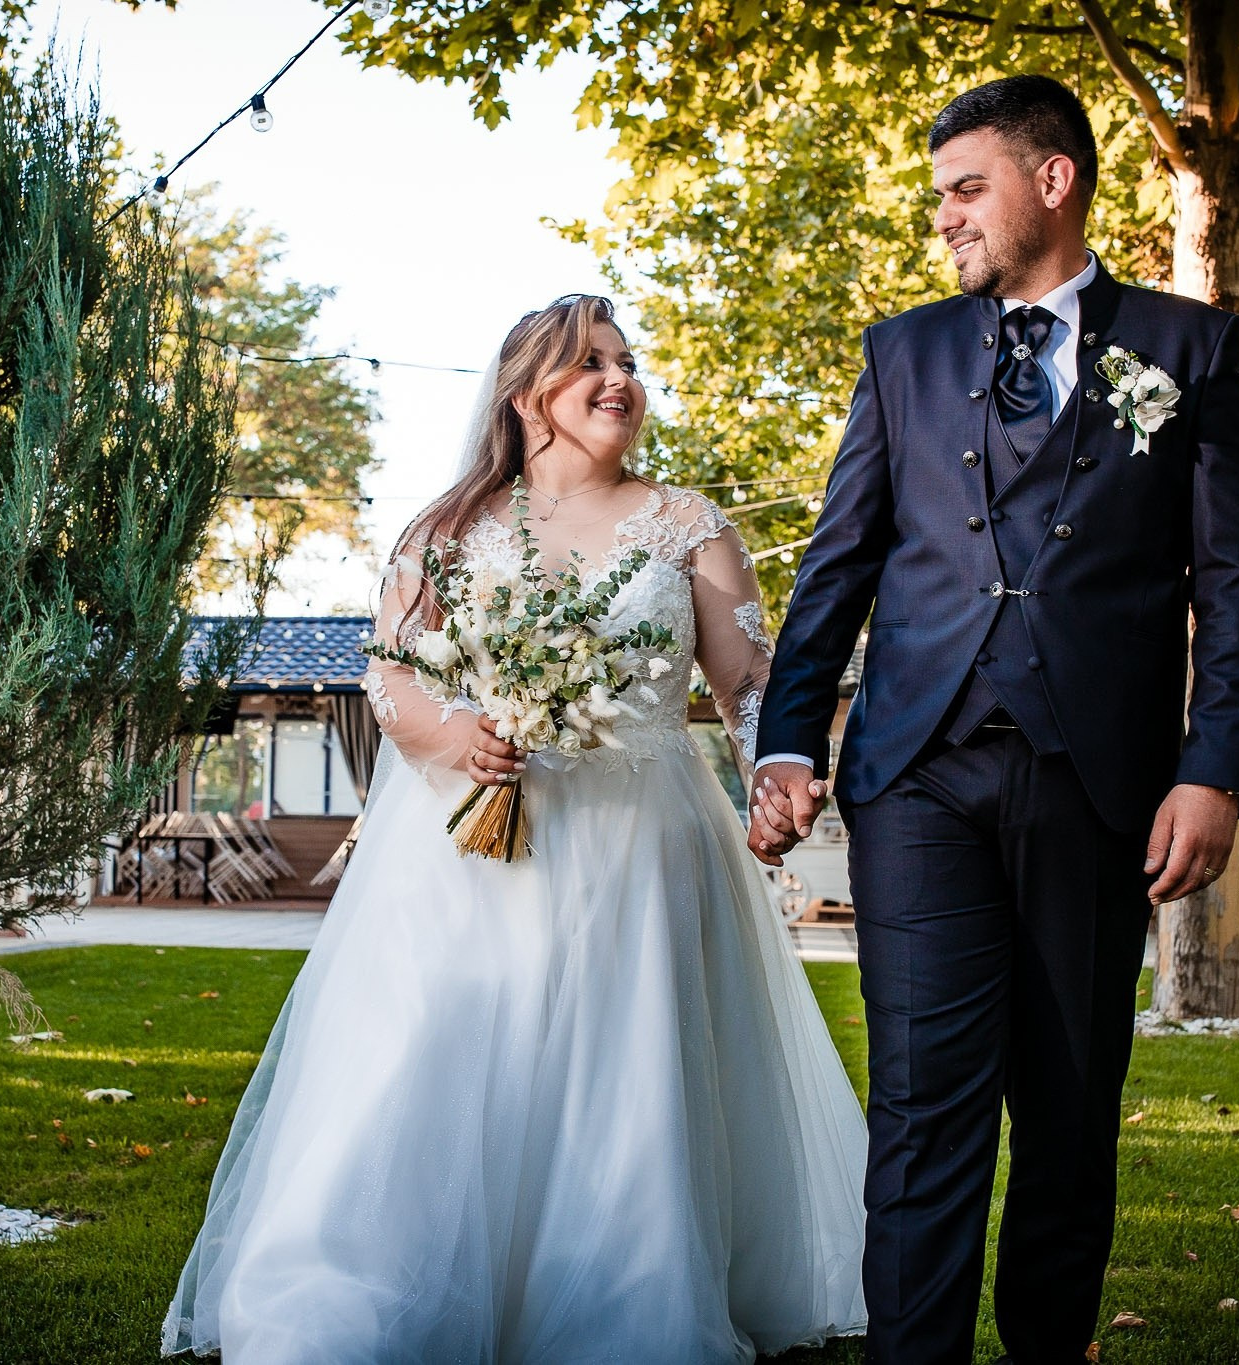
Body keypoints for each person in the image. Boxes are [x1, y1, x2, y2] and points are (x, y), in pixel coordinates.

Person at [162, 294, 868, 1363]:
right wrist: (456, 742)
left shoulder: (689, 526)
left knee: (630, 1078)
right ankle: (375, 1292)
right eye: (589, 363)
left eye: (626, 362)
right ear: (525, 391)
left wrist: (777, 773)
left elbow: (749, 688)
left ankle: (622, 1298)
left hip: (644, 841)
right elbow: (392, 678)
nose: (619, 381)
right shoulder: (443, 532)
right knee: (437, 1060)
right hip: (466, 850)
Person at [749, 76, 1239, 1365]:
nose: (943, 218)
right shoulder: (902, 351)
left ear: (1052, 181)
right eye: (937, 196)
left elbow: (1234, 582)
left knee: (1066, 1111)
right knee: (924, 1111)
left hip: (1099, 787)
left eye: (963, 187)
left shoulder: (1185, 347)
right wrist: (785, 740)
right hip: (915, 774)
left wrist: (1212, 772)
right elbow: (838, 565)